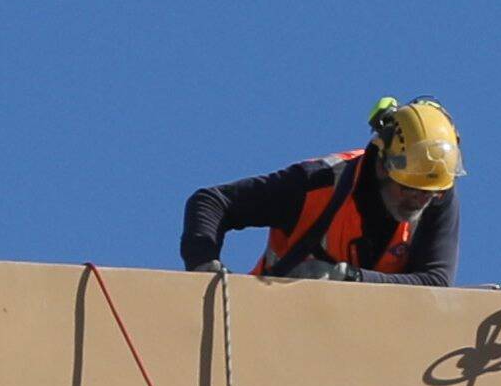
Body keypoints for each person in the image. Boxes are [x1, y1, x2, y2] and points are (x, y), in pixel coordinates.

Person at [181, 100, 463, 286]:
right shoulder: (319, 183)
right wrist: (203, 268)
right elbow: (213, 202)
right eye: (408, 189)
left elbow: (435, 281)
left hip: (367, 344)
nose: (420, 200)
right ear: (382, 165)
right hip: (270, 325)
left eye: (430, 193)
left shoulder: (436, 192)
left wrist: (348, 277)